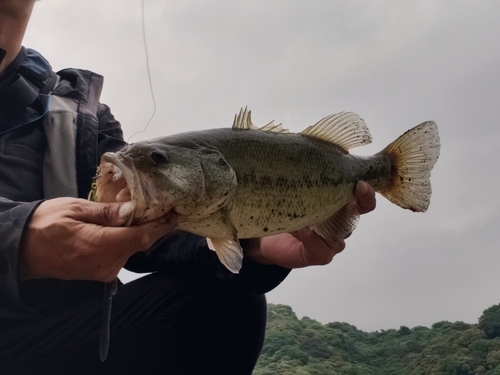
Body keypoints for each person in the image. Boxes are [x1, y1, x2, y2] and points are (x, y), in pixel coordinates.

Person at [0, 1, 376, 374]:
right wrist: (19, 241)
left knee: (229, 301)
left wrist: (252, 244)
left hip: (53, 346)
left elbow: (151, 227)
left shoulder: (82, 118)